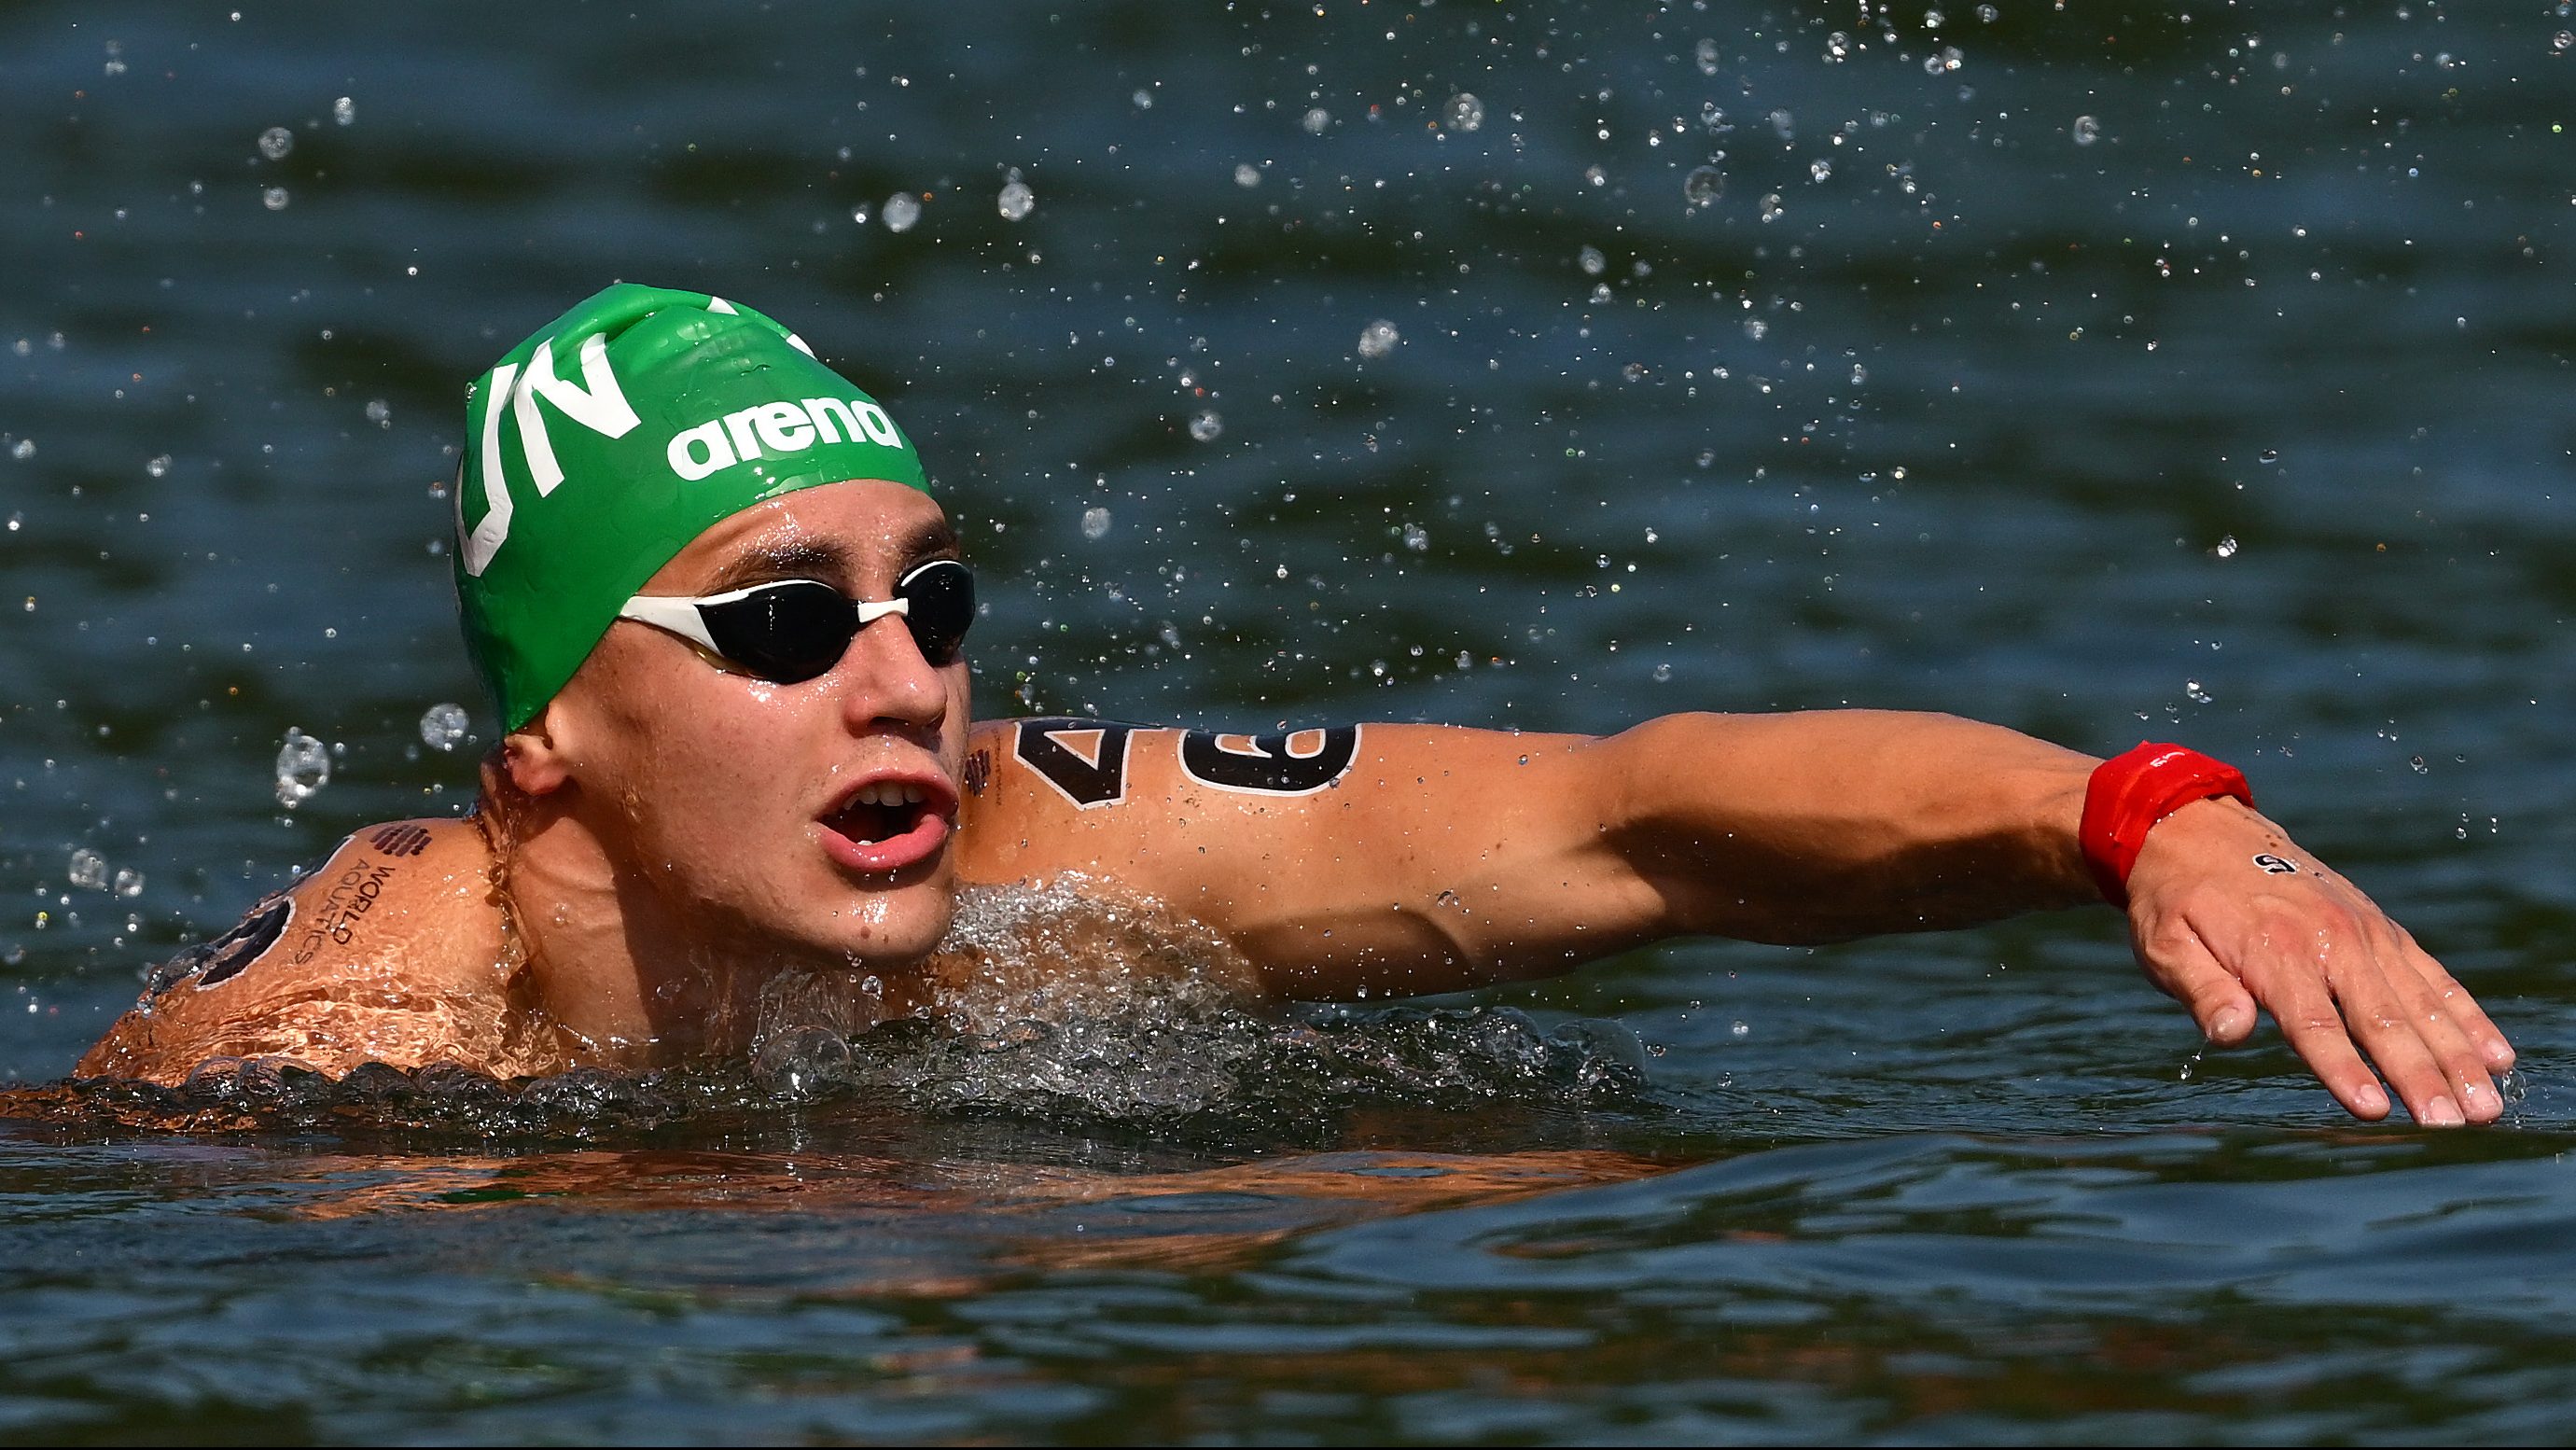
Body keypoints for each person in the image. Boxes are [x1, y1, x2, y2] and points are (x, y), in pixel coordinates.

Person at [74, 285, 2518, 1127]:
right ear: (542, 747)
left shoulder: (1044, 843)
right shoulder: (376, 1001)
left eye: (933, 598)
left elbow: (1631, 812)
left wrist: (2147, 814)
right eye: (783, 626)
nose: (905, 679)